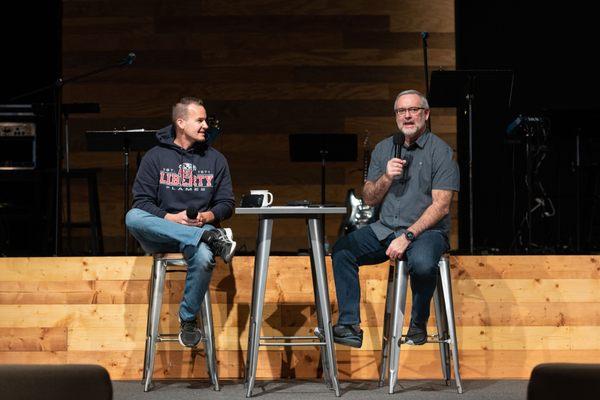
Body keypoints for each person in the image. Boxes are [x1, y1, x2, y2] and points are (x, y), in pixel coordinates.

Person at [331, 90, 459, 348]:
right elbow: (368, 198)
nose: (407, 116)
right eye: (402, 111)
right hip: (385, 228)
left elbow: (441, 206)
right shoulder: (383, 148)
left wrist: (408, 236)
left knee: (422, 264)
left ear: (426, 114)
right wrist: (386, 178)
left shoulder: (440, 152)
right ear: (396, 117)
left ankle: (418, 323)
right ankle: (349, 325)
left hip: (425, 232)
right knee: (342, 250)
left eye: (413, 110)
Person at [125, 97, 236, 348]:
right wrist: (172, 218)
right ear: (181, 122)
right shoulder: (155, 157)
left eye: (205, 120)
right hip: (162, 231)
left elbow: (226, 204)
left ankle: (187, 319)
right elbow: (141, 202)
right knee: (132, 217)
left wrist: (207, 218)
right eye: (200, 120)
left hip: (199, 227)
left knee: (205, 257)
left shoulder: (216, 159)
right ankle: (208, 238)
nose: (206, 125)